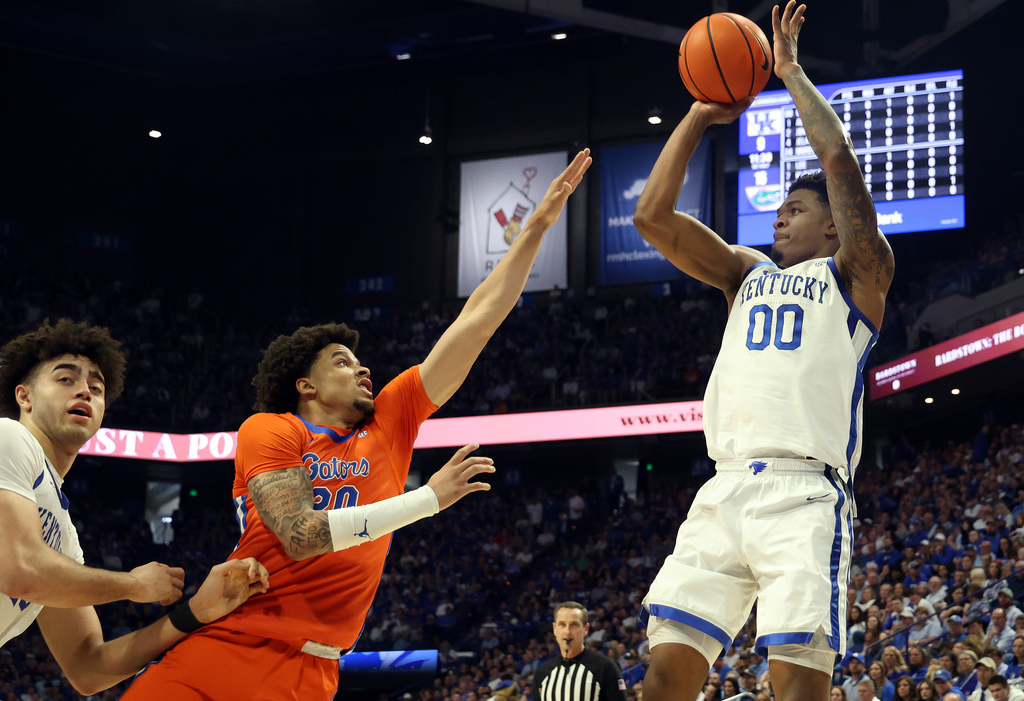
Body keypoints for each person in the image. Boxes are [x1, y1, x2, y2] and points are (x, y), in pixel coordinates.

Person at [121, 151, 593, 700]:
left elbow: (479, 317)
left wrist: (535, 227)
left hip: (316, 671)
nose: (364, 367)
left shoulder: (391, 421)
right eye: (343, 362)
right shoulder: (270, 429)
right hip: (230, 645)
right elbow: (300, 538)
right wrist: (427, 500)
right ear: (306, 386)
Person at [635, 0, 895, 701]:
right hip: (723, 488)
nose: (781, 212)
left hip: (804, 493)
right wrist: (697, 111)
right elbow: (651, 216)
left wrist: (790, 75)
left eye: (799, 207)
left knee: (797, 687)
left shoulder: (857, 277)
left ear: (834, 228)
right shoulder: (745, 273)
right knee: (662, 678)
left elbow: (840, 166)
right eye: (780, 206)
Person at [0, 319, 269, 695]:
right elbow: (21, 572)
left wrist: (194, 612)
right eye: (65, 380)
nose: (85, 392)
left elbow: (89, 668)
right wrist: (132, 585)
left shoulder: (62, 536)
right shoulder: (9, 436)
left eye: (96, 387)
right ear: (24, 397)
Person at [533, 602, 627, 701]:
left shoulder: (605, 667)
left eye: (574, 625)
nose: (567, 631)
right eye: (562, 625)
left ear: (585, 629)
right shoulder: (542, 673)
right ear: (555, 629)